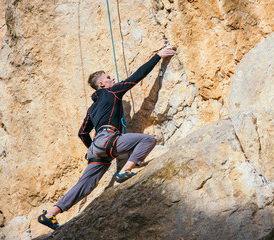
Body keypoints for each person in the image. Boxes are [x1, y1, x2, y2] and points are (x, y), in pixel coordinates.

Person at [38, 47, 176, 230]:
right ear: (102, 84)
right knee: (148, 140)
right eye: (109, 77)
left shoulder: (91, 109)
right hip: (107, 139)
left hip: (96, 147)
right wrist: (158, 56)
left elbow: (82, 132)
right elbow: (137, 76)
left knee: (85, 185)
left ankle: (50, 214)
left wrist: (95, 148)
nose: (113, 79)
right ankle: (125, 171)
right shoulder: (112, 92)